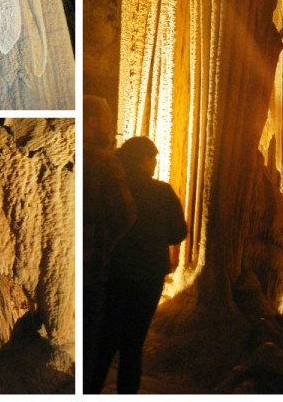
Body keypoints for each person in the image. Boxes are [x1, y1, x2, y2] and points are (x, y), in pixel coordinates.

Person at [90, 136, 187, 394]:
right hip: (148, 276)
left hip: (113, 274)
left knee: (106, 342)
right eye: (152, 159)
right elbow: (178, 232)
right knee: (132, 346)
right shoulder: (161, 192)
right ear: (143, 160)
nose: (155, 163)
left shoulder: (111, 186)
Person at [83, 96, 136, 394]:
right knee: (89, 351)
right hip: (92, 274)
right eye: (108, 119)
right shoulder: (105, 162)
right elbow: (126, 214)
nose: (113, 126)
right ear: (92, 122)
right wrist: (107, 245)